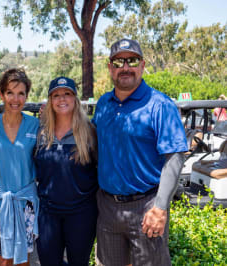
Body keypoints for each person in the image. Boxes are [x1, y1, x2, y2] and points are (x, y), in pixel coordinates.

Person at [92, 39, 188, 266]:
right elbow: (94, 144)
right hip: (108, 209)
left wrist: (161, 208)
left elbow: (175, 158)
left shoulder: (160, 105)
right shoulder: (104, 103)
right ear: (110, 67)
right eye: (118, 62)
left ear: (142, 65)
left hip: (146, 207)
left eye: (132, 60)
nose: (125, 67)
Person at [0, 69, 39, 266]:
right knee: (3, 263)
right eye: (10, 92)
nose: (15, 99)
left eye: (21, 93)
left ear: (27, 96)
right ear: (2, 94)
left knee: (22, 262)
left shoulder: (35, 124)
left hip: (25, 203)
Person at [34, 77, 98, 266]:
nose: (62, 99)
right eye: (56, 95)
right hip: (48, 213)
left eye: (67, 94)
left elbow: (101, 167)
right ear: (50, 101)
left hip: (81, 214)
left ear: (75, 99)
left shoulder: (90, 131)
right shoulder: (40, 132)